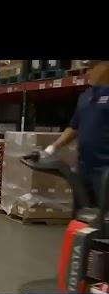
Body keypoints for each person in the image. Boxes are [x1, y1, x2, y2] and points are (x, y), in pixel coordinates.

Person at [45, 60, 109, 205]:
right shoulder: (85, 97)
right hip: (83, 168)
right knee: (83, 216)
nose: (87, 73)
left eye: (92, 67)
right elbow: (74, 127)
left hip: (105, 171)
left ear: (105, 67)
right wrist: (52, 148)